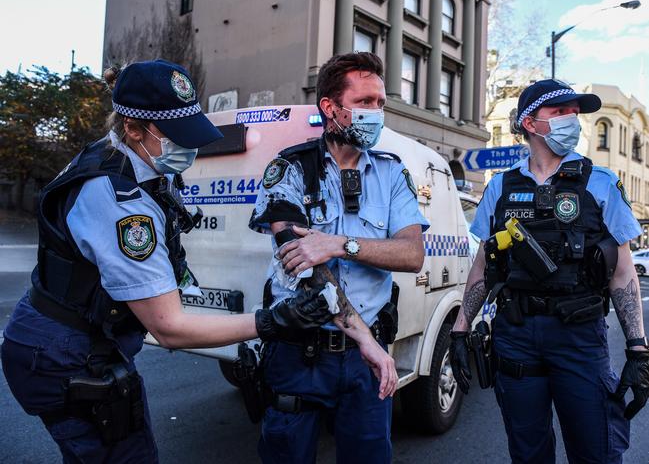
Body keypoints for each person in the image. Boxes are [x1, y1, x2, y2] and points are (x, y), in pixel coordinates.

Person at [0, 59, 334, 463]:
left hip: (66, 338)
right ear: (132, 129)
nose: (189, 148)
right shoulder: (120, 202)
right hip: (63, 353)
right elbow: (170, 328)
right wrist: (273, 321)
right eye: (175, 136)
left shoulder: (122, 159)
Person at [449, 78, 649, 463]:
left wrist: (638, 349)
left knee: (596, 451)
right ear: (529, 122)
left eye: (575, 112)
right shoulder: (500, 188)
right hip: (516, 335)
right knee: (528, 452)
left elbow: (623, 274)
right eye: (559, 111)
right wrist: (460, 328)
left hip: (579, 337)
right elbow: (483, 267)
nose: (571, 119)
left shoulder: (601, 183)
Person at [248, 51, 429, 464]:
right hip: (300, 353)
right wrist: (365, 339)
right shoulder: (289, 170)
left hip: (366, 362)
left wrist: (337, 243)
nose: (376, 112)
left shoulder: (391, 173)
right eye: (365, 102)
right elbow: (303, 268)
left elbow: (412, 253)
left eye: (380, 104)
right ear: (330, 107)